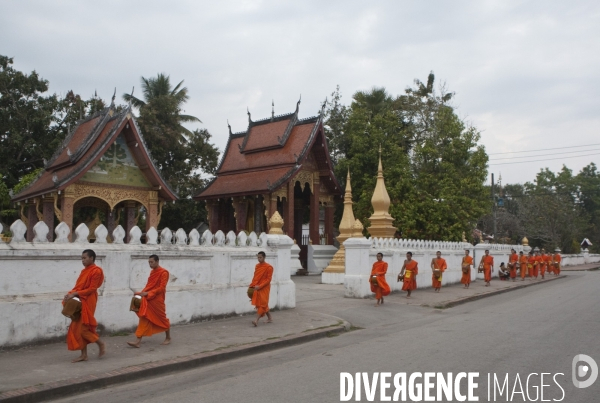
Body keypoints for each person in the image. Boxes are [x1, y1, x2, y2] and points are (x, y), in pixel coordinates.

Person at [63, 249, 106, 363]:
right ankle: (84, 355)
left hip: (89, 299)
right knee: (77, 327)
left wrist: (75, 294)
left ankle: (100, 343)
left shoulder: (96, 271)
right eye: (81, 258)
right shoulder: (84, 271)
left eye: (84, 258)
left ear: (91, 258)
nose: (82, 260)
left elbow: (92, 289)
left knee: (83, 328)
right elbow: (78, 286)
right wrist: (70, 295)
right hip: (80, 299)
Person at [127, 255, 171, 348]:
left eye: (152, 262)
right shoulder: (152, 272)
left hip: (158, 299)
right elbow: (149, 285)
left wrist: (148, 293)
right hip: (149, 297)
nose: (150, 264)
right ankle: (138, 341)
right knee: (143, 315)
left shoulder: (164, 272)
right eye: (149, 262)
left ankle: (168, 337)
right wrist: (142, 293)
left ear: (157, 261)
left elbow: (161, 288)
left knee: (162, 318)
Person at [249, 251, 273, 327]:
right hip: (257, 286)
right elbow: (255, 277)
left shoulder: (269, 267)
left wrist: (260, 286)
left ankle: (256, 320)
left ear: (264, 257)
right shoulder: (257, 266)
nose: (259, 259)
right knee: (263, 303)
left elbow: (268, 280)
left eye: (260, 257)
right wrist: (252, 285)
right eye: (258, 257)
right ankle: (270, 318)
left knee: (262, 304)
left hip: (264, 287)